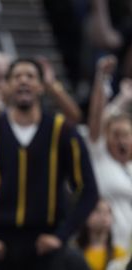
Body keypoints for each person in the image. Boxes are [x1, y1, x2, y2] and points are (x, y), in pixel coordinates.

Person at [0, 58, 98, 270]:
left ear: (41, 87)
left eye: (30, 76)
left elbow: (88, 190)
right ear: (6, 86)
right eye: (17, 76)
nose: (23, 81)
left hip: (46, 242)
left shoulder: (62, 131)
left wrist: (62, 235)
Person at [87, 55, 132, 251]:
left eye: (126, 135)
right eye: (116, 135)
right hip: (106, 250)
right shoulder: (100, 156)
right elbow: (97, 119)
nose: (121, 140)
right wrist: (102, 78)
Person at [76, 199, 128, 270]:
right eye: (97, 210)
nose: (104, 215)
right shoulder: (74, 251)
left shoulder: (118, 254)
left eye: (108, 211)